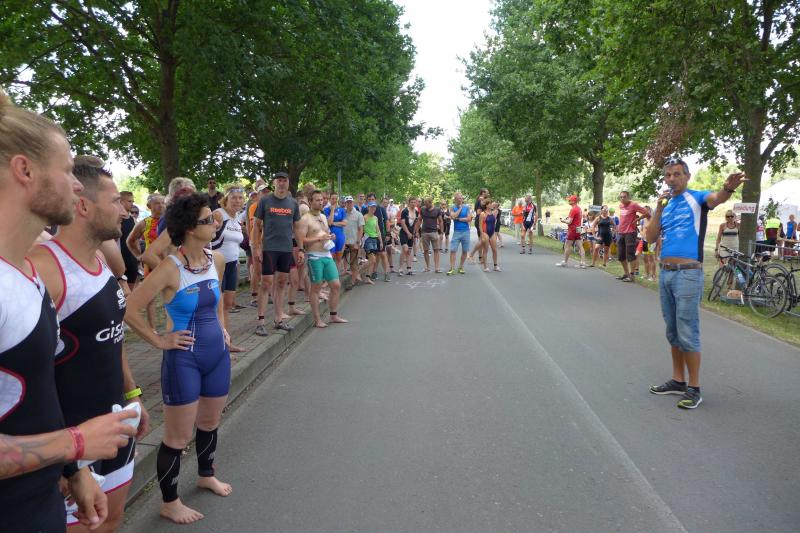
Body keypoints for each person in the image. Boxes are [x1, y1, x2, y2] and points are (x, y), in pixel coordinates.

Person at [0, 89, 137, 532]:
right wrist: (75, 443)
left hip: (41, 502)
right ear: (25, 170)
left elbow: (38, 391)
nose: (77, 184)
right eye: (65, 170)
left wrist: (74, 469)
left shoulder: (24, 272)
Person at [30, 155, 149, 532]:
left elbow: (114, 336)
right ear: (83, 205)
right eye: (115, 201)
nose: (125, 209)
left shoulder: (100, 260)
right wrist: (63, 459)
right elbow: (30, 373)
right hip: (71, 438)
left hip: (113, 421)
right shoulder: (44, 268)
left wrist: (132, 395)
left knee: (111, 519)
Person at [125, 193, 233, 524]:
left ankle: (206, 474)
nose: (215, 223)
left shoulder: (216, 260)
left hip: (217, 356)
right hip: (184, 360)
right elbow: (129, 309)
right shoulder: (170, 268)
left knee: (210, 423)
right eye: (207, 220)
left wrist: (223, 329)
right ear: (188, 228)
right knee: (177, 437)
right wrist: (159, 340)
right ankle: (170, 502)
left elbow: (216, 301)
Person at [647, 158, 746, 409]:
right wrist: (658, 208)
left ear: (687, 176)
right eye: (668, 175)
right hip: (666, 273)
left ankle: (694, 388)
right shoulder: (666, 205)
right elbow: (649, 237)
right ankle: (678, 380)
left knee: (687, 330)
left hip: (688, 274)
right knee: (672, 330)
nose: (672, 179)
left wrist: (728, 188)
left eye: (677, 174)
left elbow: (717, 199)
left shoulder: (697, 197)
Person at [252, 172, 302, 335]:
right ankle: (260, 322)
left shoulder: (293, 203)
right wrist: (257, 247)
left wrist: (301, 249)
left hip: (286, 248)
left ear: (288, 183)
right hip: (269, 248)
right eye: (279, 180)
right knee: (266, 283)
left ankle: (278, 319)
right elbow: (257, 225)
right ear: (274, 183)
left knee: (281, 283)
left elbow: (297, 227)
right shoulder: (265, 201)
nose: (281, 183)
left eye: (284, 181)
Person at [296, 190, 348, 328]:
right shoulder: (305, 219)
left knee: (336, 285)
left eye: (321, 200)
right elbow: (301, 240)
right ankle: (317, 319)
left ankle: (333, 315)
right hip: (314, 256)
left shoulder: (323, 216)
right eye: (317, 200)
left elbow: (326, 232)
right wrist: (318, 239)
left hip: (327, 255)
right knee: (316, 287)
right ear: (310, 201)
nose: (320, 202)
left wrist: (331, 236)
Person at [211, 185, 246, 352]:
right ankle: (218, 345)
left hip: (232, 265)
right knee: (216, 307)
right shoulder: (219, 214)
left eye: (240, 198)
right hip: (217, 266)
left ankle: (226, 342)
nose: (237, 201)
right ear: (226, 199)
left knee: (227, 305)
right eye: (233, 198)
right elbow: (207, 236)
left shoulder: (237, 218)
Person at [616, 191, 650, 282]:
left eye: (624, 197)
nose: (622, 199)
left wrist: (637, 219)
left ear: (628, 197)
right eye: (621, 197)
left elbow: (647, 213)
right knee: (621, 255)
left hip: (630, 232)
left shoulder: (633, 205)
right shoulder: (621, 205)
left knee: (630, 255)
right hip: (621, 232)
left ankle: (632, 275)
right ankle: (626, 274)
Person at [361, 192, 390, 281]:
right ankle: (374, 272)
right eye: (369, 199)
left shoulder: (381, 209)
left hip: (380, 234)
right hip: (369, 237)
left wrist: (388, 233)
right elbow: (361, 225)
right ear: (367, 201)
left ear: (375, 200)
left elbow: (386, 221)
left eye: (372, 199)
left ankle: (386, 273)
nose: (371, 201)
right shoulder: (364, 210)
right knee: (374, 255)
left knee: (382, 254)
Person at [556, 195, 586, 268]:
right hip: (578, 228)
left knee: (567, 245)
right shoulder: (579, 209)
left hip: (572, 229)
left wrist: (563, 220)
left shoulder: (573, 209)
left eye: (570, 200)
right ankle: (583, 263)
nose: (568, 201)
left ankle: (565, 262)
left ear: (574, 201)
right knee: (580, 246)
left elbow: (569, 221)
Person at [119, 190, 140, 291]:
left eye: (132, 201)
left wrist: (139, 257)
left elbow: (136, 240)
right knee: (120, 292)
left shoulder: (133, 220)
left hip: (132, 260)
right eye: (129, 201)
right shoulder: (115, 219)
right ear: (121, 202)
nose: (132, 203)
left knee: (131, 291)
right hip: (119, 260)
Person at [447, 192, 472, 275]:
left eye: (461, 198)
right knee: (453, 250)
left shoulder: (467, 207)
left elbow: (469, 218)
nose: (460, 200)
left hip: (466, 231)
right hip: (457, 232)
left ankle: (461, 267)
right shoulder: (452, 207)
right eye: (458, 199)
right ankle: (452, 268)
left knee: (465, 250)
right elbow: (453, 216)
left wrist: (459, 219)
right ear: (455, 199)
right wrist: (460, 209)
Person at [343, 196, 365, 283]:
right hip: (343, 242)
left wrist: (358, 242)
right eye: (347, 202)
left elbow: (361, 229)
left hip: (353, 242)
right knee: (337, 261)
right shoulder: (342, 213)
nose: (349, 204)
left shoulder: (358, 214)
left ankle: (352, 282)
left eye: (350, 202)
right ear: (345, 203)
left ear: (353, 203)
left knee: (353, 263)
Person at [324, 192, 347, 273]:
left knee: (339, 257)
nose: (334, 200)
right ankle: (330, 275)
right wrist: (333, 210)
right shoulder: (326, 210)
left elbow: (345, 223)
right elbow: (329, 223)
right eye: (332, 199)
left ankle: (336, 274)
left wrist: (334, 223)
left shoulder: (342, 210)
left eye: (335, 199)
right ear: (330, 199)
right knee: (331, 257)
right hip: (331, 236)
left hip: (340, 235)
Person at [419, 198, 443, 273]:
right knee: (426, 250)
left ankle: (437, 268)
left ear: (431, 203)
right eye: (424, 204)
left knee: (436, 250)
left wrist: (441, 232)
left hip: (434, 232)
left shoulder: (437, 210)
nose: (425, 206)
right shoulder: (423, 209)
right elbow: (419, 220)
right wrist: (416, 231)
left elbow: (441, 221)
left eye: (427, 204)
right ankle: (427, 267)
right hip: (424, 232)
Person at [398, 197, 420, 276]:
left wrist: (415, 232)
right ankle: (400, 268)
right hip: (404, 233)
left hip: (411, 233)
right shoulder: (405, 211)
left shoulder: (416, 212)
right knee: (405, 249)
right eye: (412, 202)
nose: (413, 204)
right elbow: (403, 223)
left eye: (414, 202)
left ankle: (409, 269)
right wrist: (408, 233)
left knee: (409, 251)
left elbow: (416, 223)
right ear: (409, 203)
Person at [362, 203, 381, 284]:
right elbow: (361, 229)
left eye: (374, 207)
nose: (373, 208)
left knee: (373, 260)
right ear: (368, 208)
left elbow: (378, 230)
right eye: (371, 207)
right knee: (372, 259)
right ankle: (357, 272)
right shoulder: (365, 217)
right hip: (368, 239)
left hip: (374, 239)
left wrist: (381, 241)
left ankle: (367, 277)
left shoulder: (375, 218)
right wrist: (360, 240)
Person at [468, 188, 488, 262]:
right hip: (480, 221)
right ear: (483, 193)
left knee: (482, 240)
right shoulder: (480, 200)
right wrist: (486, 213)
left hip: (483, 221)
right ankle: (473, 255)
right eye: (487, 192)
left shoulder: (482, 200)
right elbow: (479, 212)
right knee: (482, 239)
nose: (488, 194)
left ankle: (480, 257)